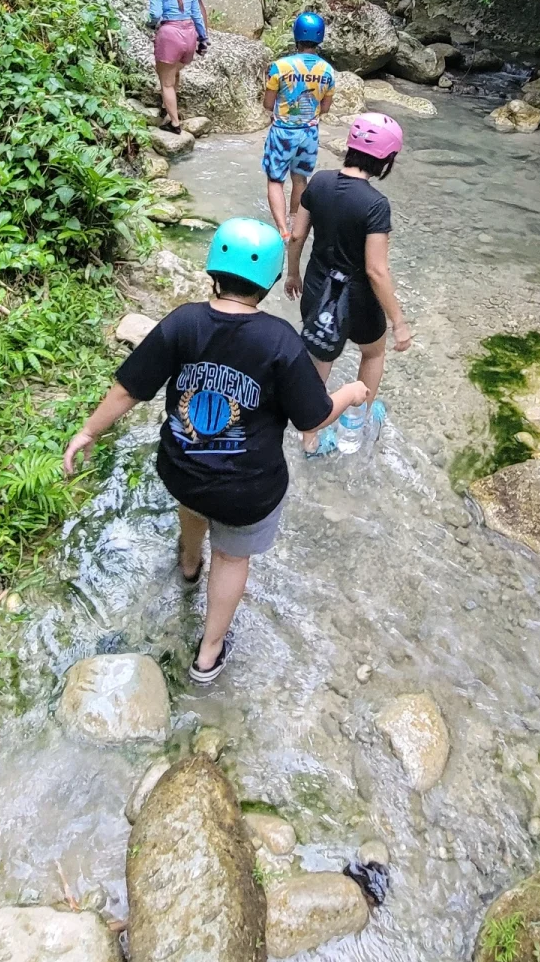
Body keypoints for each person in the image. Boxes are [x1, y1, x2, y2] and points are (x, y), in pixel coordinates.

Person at [62, 218, 368, 683]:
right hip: (248, 490)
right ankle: (208, 654)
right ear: (267, 283)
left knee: (193, 503)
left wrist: (88, 431)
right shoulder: (280, 342)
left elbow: (129, 389)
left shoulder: (182, 322)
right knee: (231, 557)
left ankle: (188, 565)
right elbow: (313, 417)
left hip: (182, 468)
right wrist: (351, 393)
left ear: (212, 270)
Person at [285, 112, 412, 454]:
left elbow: (296, 236)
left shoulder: (319, 182)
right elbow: (376, 271)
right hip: (356, 301)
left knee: (320, 358)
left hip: (316, 291)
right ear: (386, 160)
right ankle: (355, 424)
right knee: (373, 353)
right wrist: (399, 322)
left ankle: (309, 439)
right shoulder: (375, 205)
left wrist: (293, 273)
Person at [261, 10, 335, 241]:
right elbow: (325, 108)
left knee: (275, 180)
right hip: (309, 133)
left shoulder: (279, 67)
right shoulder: (328, 71)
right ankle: (295, 224)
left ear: (296, 36)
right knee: (300, 179)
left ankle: (282, 229)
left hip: (283, 132)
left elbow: (267, 103)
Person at [148, 0, 207, 134]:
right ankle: (170, 109)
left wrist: (149, 25)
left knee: (166, 82)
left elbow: (155, 15)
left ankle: (174, 123)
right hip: (190, 35)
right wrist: (203, 39)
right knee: (175, 74)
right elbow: (197, 16)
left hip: (170, 35)